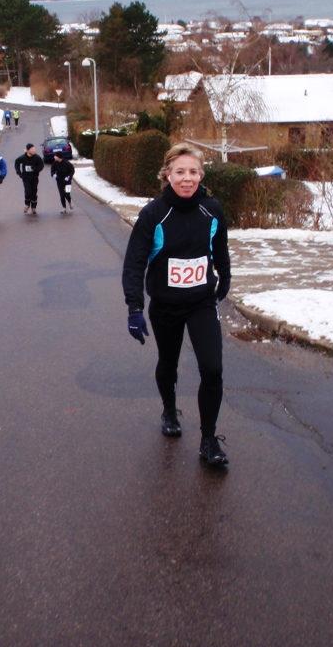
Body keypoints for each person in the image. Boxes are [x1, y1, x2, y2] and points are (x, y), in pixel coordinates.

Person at [121, 143, 232, 466]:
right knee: (168, 362)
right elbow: (134, 263)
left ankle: (209, 440)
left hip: (201, 302)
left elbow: (220, 248)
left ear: (201, 175)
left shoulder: (211, 209)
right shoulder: (154, 214)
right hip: (166, 305)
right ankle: (169, 409)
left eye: (193, 172)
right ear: (167, 175)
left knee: (212, 368)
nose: (187, 179)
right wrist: (134, 307)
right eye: (180, 172)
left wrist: (224, 279)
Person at [14, 143, 45, 214]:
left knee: (34, 192)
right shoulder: (23, 157)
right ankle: (27, 204)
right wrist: (19, 172)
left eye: (34, 149)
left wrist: (36, 169)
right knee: (28, 192)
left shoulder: (37, 157)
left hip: (34, 178)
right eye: (32, 149)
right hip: (26, 178)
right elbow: (17, 162)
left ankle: (33, 207)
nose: (34, 150)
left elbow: (41, 165)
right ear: (28, 150)